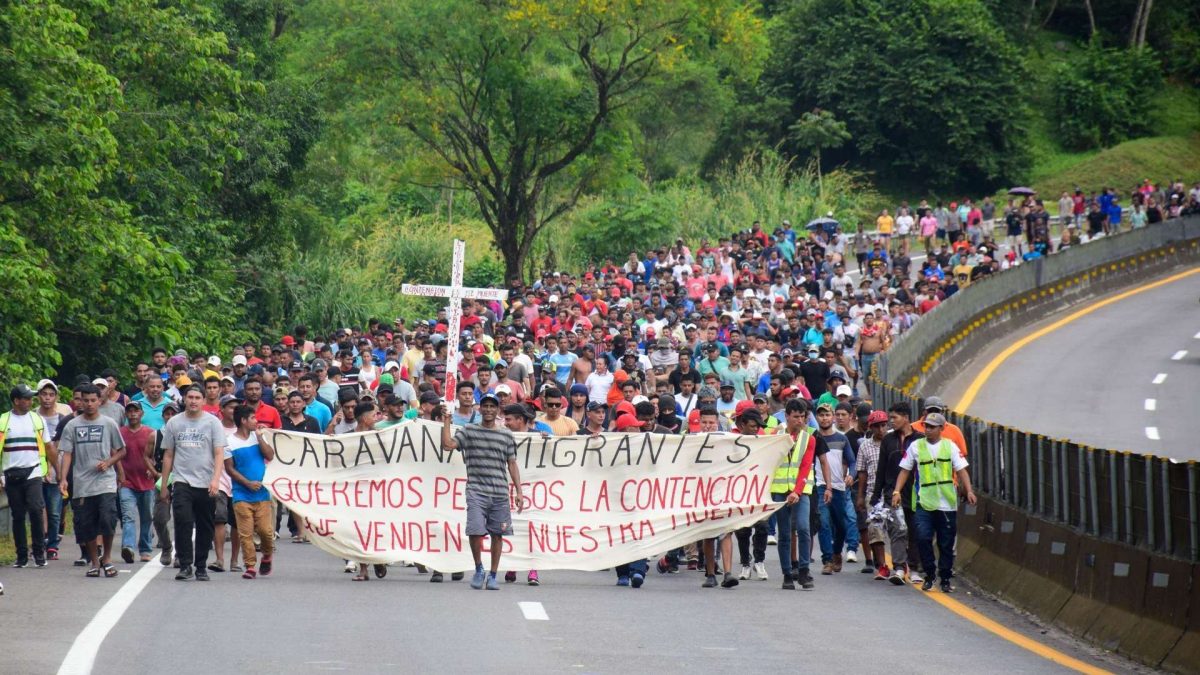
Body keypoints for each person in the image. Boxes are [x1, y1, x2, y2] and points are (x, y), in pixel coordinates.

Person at [441, 393, 523, 591]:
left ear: (497, 410)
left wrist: (519, 491)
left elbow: (512, 463)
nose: (488, 409)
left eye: (492, 406)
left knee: (498, 534)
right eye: (485, 405)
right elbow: (448, 445)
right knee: (476, 531)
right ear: (480, 409)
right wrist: (446, 420)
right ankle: (479, 568)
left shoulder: (506, 435)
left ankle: (493, 575)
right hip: (476, 490)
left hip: (500, 492)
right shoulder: (468, 431)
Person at [892, 413, 976, 592]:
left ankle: (945, 577)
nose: (927, 430)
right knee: (922, 537)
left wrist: (968, 490)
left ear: (941, 428)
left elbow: (962, 471)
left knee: (945, 543)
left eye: (932, 427)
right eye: (926, 426)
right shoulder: (916, 446)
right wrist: (897, 491)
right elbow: (904, 470)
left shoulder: (950, 447)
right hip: (925, 502)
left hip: (947, 503)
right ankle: (929, 574)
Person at [160, 385, 227, 581]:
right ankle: (185, 564)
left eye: (198, 397)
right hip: (182, 481)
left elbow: (219, 452)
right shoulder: (174, 423)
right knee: (183, 522)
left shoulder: (213, 423)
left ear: (204, 400)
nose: (194, 401)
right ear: (184, 399)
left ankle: (201, 566)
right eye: (190, 397)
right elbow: (168, 454)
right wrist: (165, 485)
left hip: (206, 482)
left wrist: (216, 480)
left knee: (205, 526)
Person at [58, 384, 125, 577]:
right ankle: (94, 562)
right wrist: (63, 478)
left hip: (105, 482)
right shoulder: (72, 425)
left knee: (108, 519)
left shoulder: (109, 423)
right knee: (86, 524)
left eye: (93, 400)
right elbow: (67, 454)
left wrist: (109, 462)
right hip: (82, 483)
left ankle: (108, 558)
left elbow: (121, 450)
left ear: (100, 401)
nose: (89, 404)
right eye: (85, 400)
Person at [772, 398, 832, 590]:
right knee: (784, 533)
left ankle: (804, 570)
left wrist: (797, 491)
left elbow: (806, 466)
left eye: (803, 417)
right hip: (780, 490)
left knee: (804, 528)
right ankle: (787, 574)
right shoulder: (775, 435)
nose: (800, 421)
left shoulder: (810, 438)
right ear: (787, 416)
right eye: (796, 417)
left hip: (802, 490)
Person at [2, 384, 56, 568]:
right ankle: (21, 555)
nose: (30, 401)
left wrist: (57, 470)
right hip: (11, 473)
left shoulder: (37, 420)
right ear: (16, 401)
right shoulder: (3, 421)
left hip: (33, 471)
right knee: (17, 515)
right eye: (26, 398)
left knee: (36, 509)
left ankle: (39, 552)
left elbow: (49, 447)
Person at [224, 405, 276, 580]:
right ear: (243, 421)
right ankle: (250, 565)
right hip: (241, 494)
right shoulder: (229, 441)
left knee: (265, 531)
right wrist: (246, 483)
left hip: (262, 493)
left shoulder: (258, 436)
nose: (256, 421)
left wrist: (261, 439)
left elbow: (270, 455)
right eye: (253, 418)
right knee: (245, 533)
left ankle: (267, 555)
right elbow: (229, 469)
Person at [118, 401, 157, 563]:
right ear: (126, 414)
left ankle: (145, 548)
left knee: (147, 516)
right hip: (127, 482)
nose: (133, 414)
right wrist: (120, 475)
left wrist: (152, 468)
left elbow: (156, 455)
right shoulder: (120, 432)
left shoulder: (151, 433)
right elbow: (116, 453)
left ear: (142, 414)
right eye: (130, 411)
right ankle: (128, 546)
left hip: (147, 482)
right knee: (128, 516)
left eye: (136, 411)